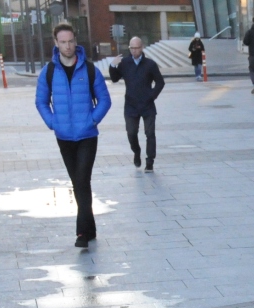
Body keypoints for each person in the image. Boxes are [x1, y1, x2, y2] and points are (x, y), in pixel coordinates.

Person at [35, 22, 111, 248]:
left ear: (75, 42)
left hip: (87, 135)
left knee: (81, 180)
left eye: (70, 41)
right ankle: (91, 227)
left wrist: (92, 119)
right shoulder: (49, 72)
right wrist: (52, 122)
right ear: (56, 44)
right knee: (79, 182)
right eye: (63, 42)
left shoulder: (89, 70)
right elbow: (41, 101)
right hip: (64, 137)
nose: (67, 46)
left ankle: (81, 233)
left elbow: (105, 100)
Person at [109, 37, 163, 171]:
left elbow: (160, 82)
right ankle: (136, 151)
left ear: (142, 47)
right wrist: (112, 65)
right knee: (131, 133)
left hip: (147, 105)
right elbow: (114, 79)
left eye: (137, 48)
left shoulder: (150, 64)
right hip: (131, 105)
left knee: (150, 134)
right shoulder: (125, 63)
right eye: (132, 48)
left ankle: (150, 161)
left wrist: (152, 96)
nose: (134, 51)